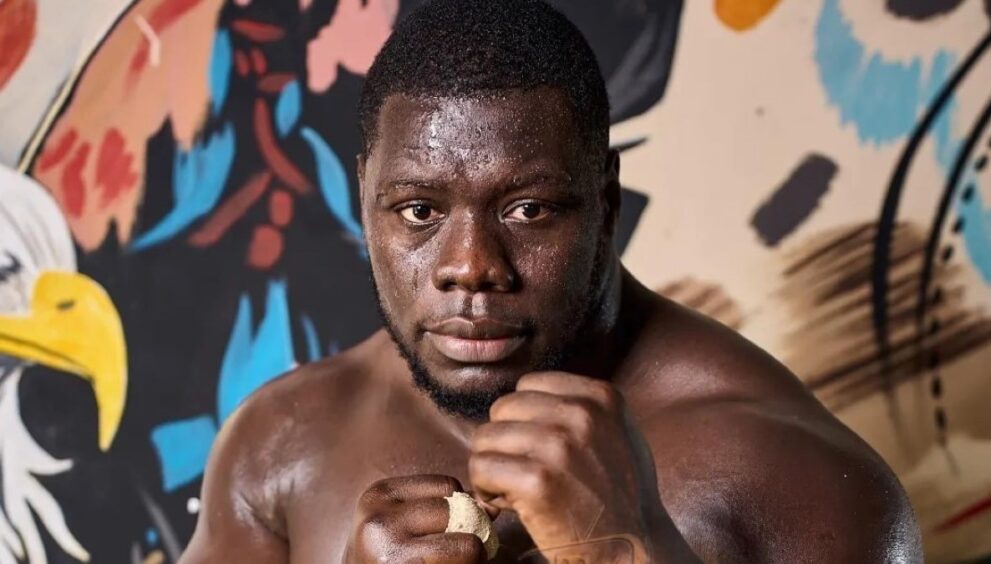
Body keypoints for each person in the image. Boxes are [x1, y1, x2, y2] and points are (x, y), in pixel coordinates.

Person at [179, 0, 922, 561]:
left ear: (606, 200)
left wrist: (627, 552)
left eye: (528, 209)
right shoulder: (280, 450)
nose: (472, 265)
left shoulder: (790, 474)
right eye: (419, 211)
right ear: (365, 200)